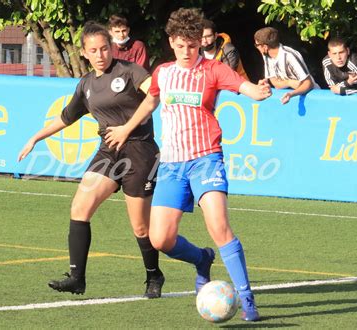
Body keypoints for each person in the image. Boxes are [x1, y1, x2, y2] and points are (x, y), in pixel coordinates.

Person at [106, 8, 271, 322]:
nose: (186, 51)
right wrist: (127, 128)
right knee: (160, 239)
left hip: (206, 159)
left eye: (192, 45)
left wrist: (258, 92)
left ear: (200, 43)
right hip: (171, 165)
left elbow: (243, 86)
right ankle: (201, 259)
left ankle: (248, 301)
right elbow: (151, 99)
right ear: (171, 42)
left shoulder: (213, 69)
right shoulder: (164, 72)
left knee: (219, 226)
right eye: (180, 45)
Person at [18, 22, 165, 298]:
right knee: (79, 207)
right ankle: (77, 278)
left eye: (105, 48)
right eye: (94, 50)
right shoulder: (86, 84)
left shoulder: (130, 71)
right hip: (109, 151)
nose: (100, 55)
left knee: (140, 226)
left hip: (140, 151)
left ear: (112, 48)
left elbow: (155, 95)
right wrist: (35, 137)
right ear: (84, 53)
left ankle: (153, 275)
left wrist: (126, 129)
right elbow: (66, 117)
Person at [254, 27, 319, 104]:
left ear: (265, 47)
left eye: (257, 45)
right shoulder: (266, 56)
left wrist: (291, 94)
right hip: (288, 98)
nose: (256, 47)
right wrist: (289, 82)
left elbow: (308, 83)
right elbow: (275, 83)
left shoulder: (290, 56)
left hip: (311, 97)